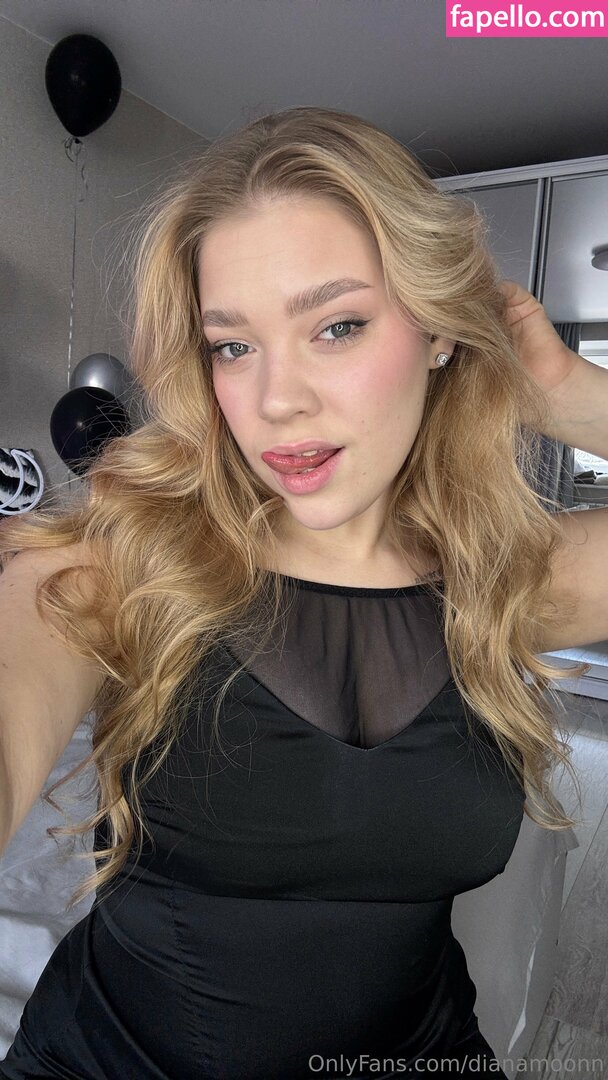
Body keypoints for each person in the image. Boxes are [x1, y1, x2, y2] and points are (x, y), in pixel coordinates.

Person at [0, 105, 603, 1079]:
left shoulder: (507, 581)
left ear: (437, 331)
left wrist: (569, 393)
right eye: (232, 345)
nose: (277, 398)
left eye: (337, 326)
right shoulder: (121, 565)